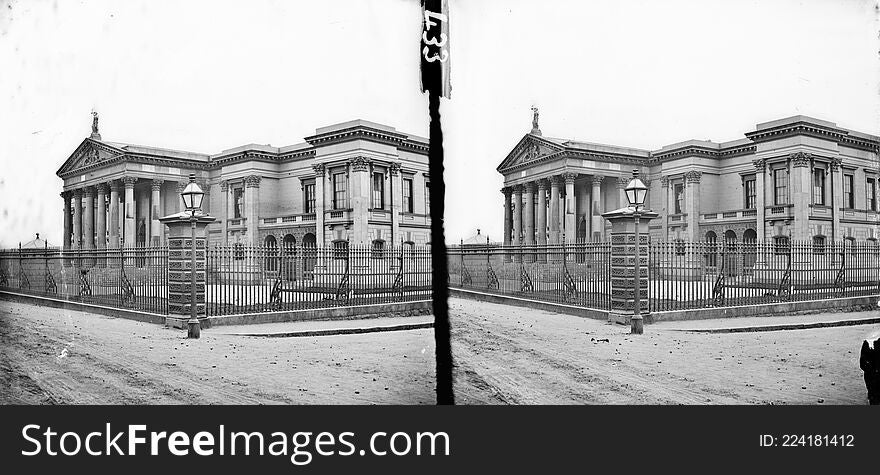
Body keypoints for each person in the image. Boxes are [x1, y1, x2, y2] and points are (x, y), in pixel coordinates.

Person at [859, 336, 880, 405]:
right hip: (872, 377)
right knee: (874, 398)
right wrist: (872, 371)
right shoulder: (869, 341)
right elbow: (863, 362)